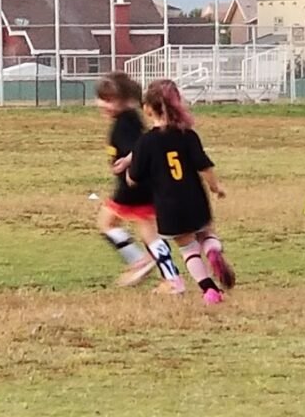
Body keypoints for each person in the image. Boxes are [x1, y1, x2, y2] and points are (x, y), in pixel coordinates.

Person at [129, 79, 235, 305]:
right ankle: (213, 250)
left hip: (169, 207)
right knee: (206, 233)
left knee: (188, 248)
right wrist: (216, 188)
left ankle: (210, 291)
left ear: (148, 108)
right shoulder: (188, 135)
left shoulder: (145, 142)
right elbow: (204, 166)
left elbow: (135, 177)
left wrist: (129, 175)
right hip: (194, 198)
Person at [96, 71, 184, 293]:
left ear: (125, 101)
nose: (102, 104)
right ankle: (167, 277)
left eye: (108, 100)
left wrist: (126, 164)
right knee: (147, 233)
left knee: (107, 223)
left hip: (132, 186)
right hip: (142, 185)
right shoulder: (130, 119)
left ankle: (142, 263)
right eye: (101, 98)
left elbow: (140, 147)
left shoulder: (125, 124)